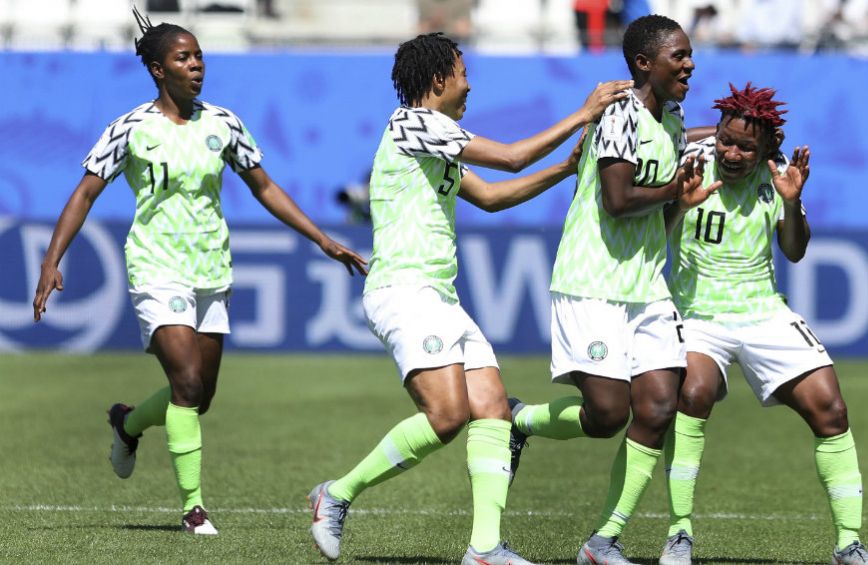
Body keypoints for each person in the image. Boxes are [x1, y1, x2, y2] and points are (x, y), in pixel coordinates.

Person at [31, 8, 368, 535]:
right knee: (185, 381)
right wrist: (52, 260)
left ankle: (127, 422)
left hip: (212, 267)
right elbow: (86, 192)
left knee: (198, 397)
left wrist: (323, 239)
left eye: (198, 55)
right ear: (158, 70)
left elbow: (265, 187)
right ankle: (193, 508)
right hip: (156, 266)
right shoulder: (131, 128)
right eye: (183, 57)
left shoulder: (224, 123)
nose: (196, 65)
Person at [307, 32, 633, 565]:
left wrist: (565, 169)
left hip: (439, 297)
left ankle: (484, 549)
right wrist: (582, 113)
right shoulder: (411, 123)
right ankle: (336, 494)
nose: (469, 83)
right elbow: (508, 159)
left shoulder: (435, 139)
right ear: (439, 80)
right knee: (447, 415)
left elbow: (492, 196)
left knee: (493, 411)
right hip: (404, 292)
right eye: (462, 72)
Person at [506, 15, 719, 565]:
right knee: (607, 416)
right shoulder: (618, 114)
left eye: (690, 54)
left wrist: (729, 135)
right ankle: (518, 419)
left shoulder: (670, 116)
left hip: (647, 286)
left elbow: (674, 171)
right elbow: (617, 200)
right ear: (645, 63)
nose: (690, 64)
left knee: (658, 407)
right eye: (680, 56)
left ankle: (604, 541)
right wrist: (678, 185)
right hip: (592, 283)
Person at [658, 83, 868, 565]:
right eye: (726, 139)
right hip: (697, 311)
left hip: (763, 309)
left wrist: (790, 202)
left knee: (832, 409)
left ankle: (849, 545)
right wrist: (679, 203)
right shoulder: (691, 159)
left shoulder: (780, 174)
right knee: (693, 393)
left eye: (746, 146)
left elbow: (795, 250)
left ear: (768, 148)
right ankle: (679, 534)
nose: (732, 152)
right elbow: (656, 222)